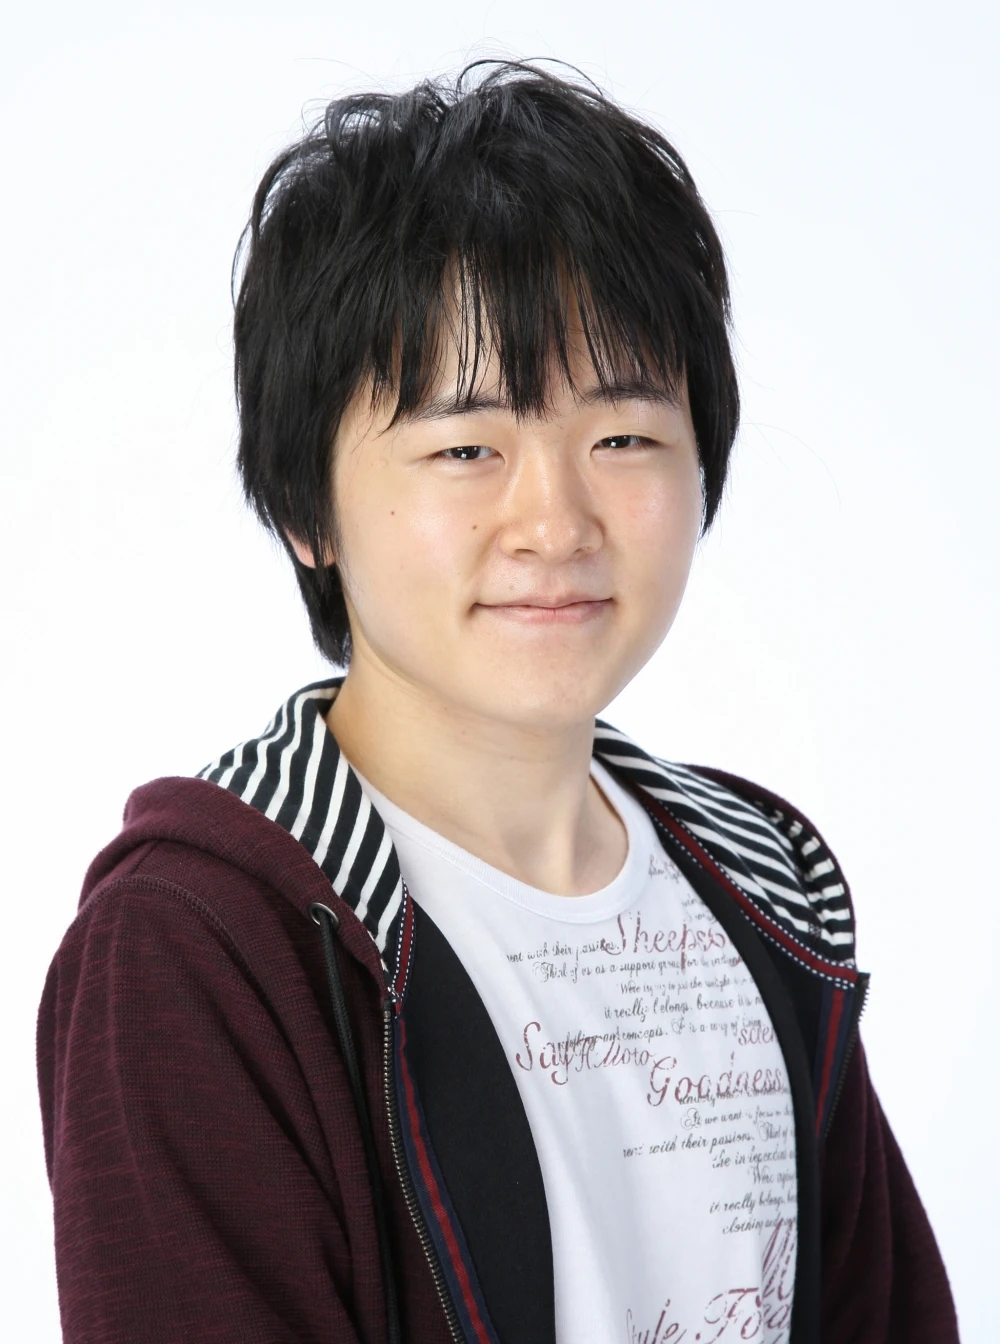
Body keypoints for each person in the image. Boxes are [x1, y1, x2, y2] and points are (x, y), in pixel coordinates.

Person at [36, 60, 958, 1344]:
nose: (556, 521)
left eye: (623, 437)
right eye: (466, 447)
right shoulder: (202, 943)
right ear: (306, 508)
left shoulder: (758, 886)